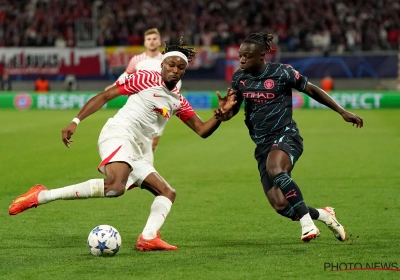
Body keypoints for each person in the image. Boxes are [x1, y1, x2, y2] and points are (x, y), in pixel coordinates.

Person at [9, 39, 236, 251]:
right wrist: (76, 120)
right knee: (116, 186)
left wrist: (220, 115)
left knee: (167, 192)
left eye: (180, 67)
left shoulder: (178, 101)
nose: (175, 70)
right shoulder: (146, 78)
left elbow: (202, 130)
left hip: (135, 147)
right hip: (118, 133)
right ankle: (41, 196)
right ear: (163, 64)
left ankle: (148, 237)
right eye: (171, 65)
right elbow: (106, 96)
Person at [215, 32, 363, 242]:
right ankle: (323, 215)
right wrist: (224, 114)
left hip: (286, 135)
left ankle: (307, 224)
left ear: (261, 56)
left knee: (276, 169)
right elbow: (234, 109)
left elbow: (311, 89)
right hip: (262, 144)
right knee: (280, 205)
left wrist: (341, 111)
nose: (241, 59)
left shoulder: (282, 72)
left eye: (247, 56)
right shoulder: (240, 78)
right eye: (240, 55)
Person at [105, 28, 181, 165]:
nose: (151, 42)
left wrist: (172, 96)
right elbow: (126, 75)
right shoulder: (137, 60)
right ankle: (134, 167)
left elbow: (176, 79)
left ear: (159, 41)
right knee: (135, 140)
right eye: (149, 39)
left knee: (152, 143)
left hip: (160, 105)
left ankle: (139, 168)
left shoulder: (167, 59)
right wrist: (113, 86)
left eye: (154, 39)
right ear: (145, 42)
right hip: (138, 104)